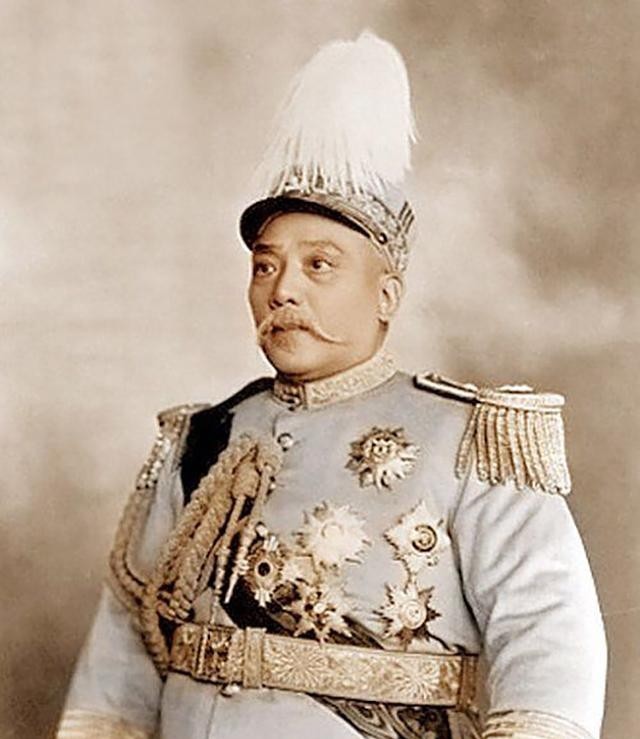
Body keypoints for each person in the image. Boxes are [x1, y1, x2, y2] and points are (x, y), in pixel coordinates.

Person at [56, 32, 607, 739]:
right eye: (265, 266)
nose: (282, 289)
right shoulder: (203, 439)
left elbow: (551, 641)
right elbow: (124, 648)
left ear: (386, 295)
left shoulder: (473, 440)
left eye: (319, 265)